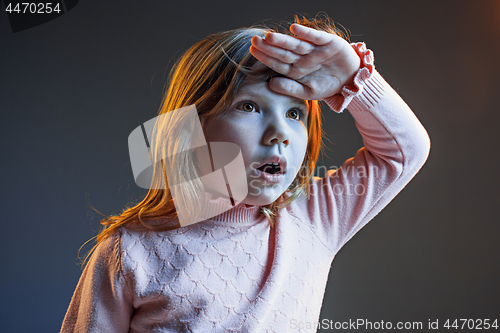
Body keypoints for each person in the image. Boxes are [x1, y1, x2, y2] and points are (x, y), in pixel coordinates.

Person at [60, 13, 430, 332]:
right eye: (250, 106)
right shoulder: (131, 252)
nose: (280, 134)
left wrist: (355, 80)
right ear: (189, 129)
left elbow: (404, 152)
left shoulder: (312, 219)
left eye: (295, 114)